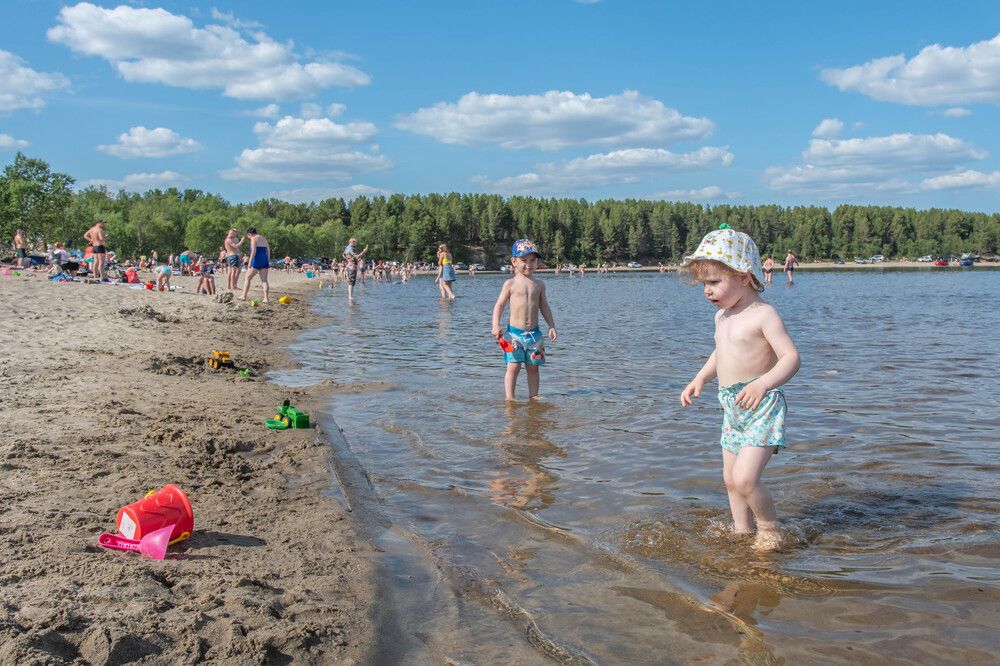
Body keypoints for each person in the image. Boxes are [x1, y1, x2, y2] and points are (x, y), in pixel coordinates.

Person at [679, 225, 800, 552]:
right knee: (731, 479)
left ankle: (771, 529)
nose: (707, 291)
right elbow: (721, 353)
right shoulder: (722, 317)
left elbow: (791, 358)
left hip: (762, 405)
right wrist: (700, 378)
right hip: (732, 407)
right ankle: (742, 530)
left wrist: (763, 383)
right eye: (704, 284)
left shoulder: (763, 315)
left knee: (746, 479)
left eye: (714, 282)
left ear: (745, 277)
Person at [491, 239, 558, 401]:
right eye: (524, 260)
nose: (529, 264)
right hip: (514, 335)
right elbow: (499, 305)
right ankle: (510, 398)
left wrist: (551, 325)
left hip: (534, 335)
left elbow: (544, 306)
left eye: (532, 260)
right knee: (513, 366)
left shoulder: (539, 284)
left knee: (533, 368)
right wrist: (495, 325)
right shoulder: (510, 284)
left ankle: (533, 396)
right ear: (514, 261)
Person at [240, 228, 271, 303]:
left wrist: (250, 262)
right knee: (264, 280)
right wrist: (267, 259)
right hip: (264, 258)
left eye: (248, 236)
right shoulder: (263, 238)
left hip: (256, 259)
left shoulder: (253, 239)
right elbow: (268, 250)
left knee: (247, 278)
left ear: (249, 234)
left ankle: (244, 296)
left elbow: (253, 251)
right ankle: (266, 298)